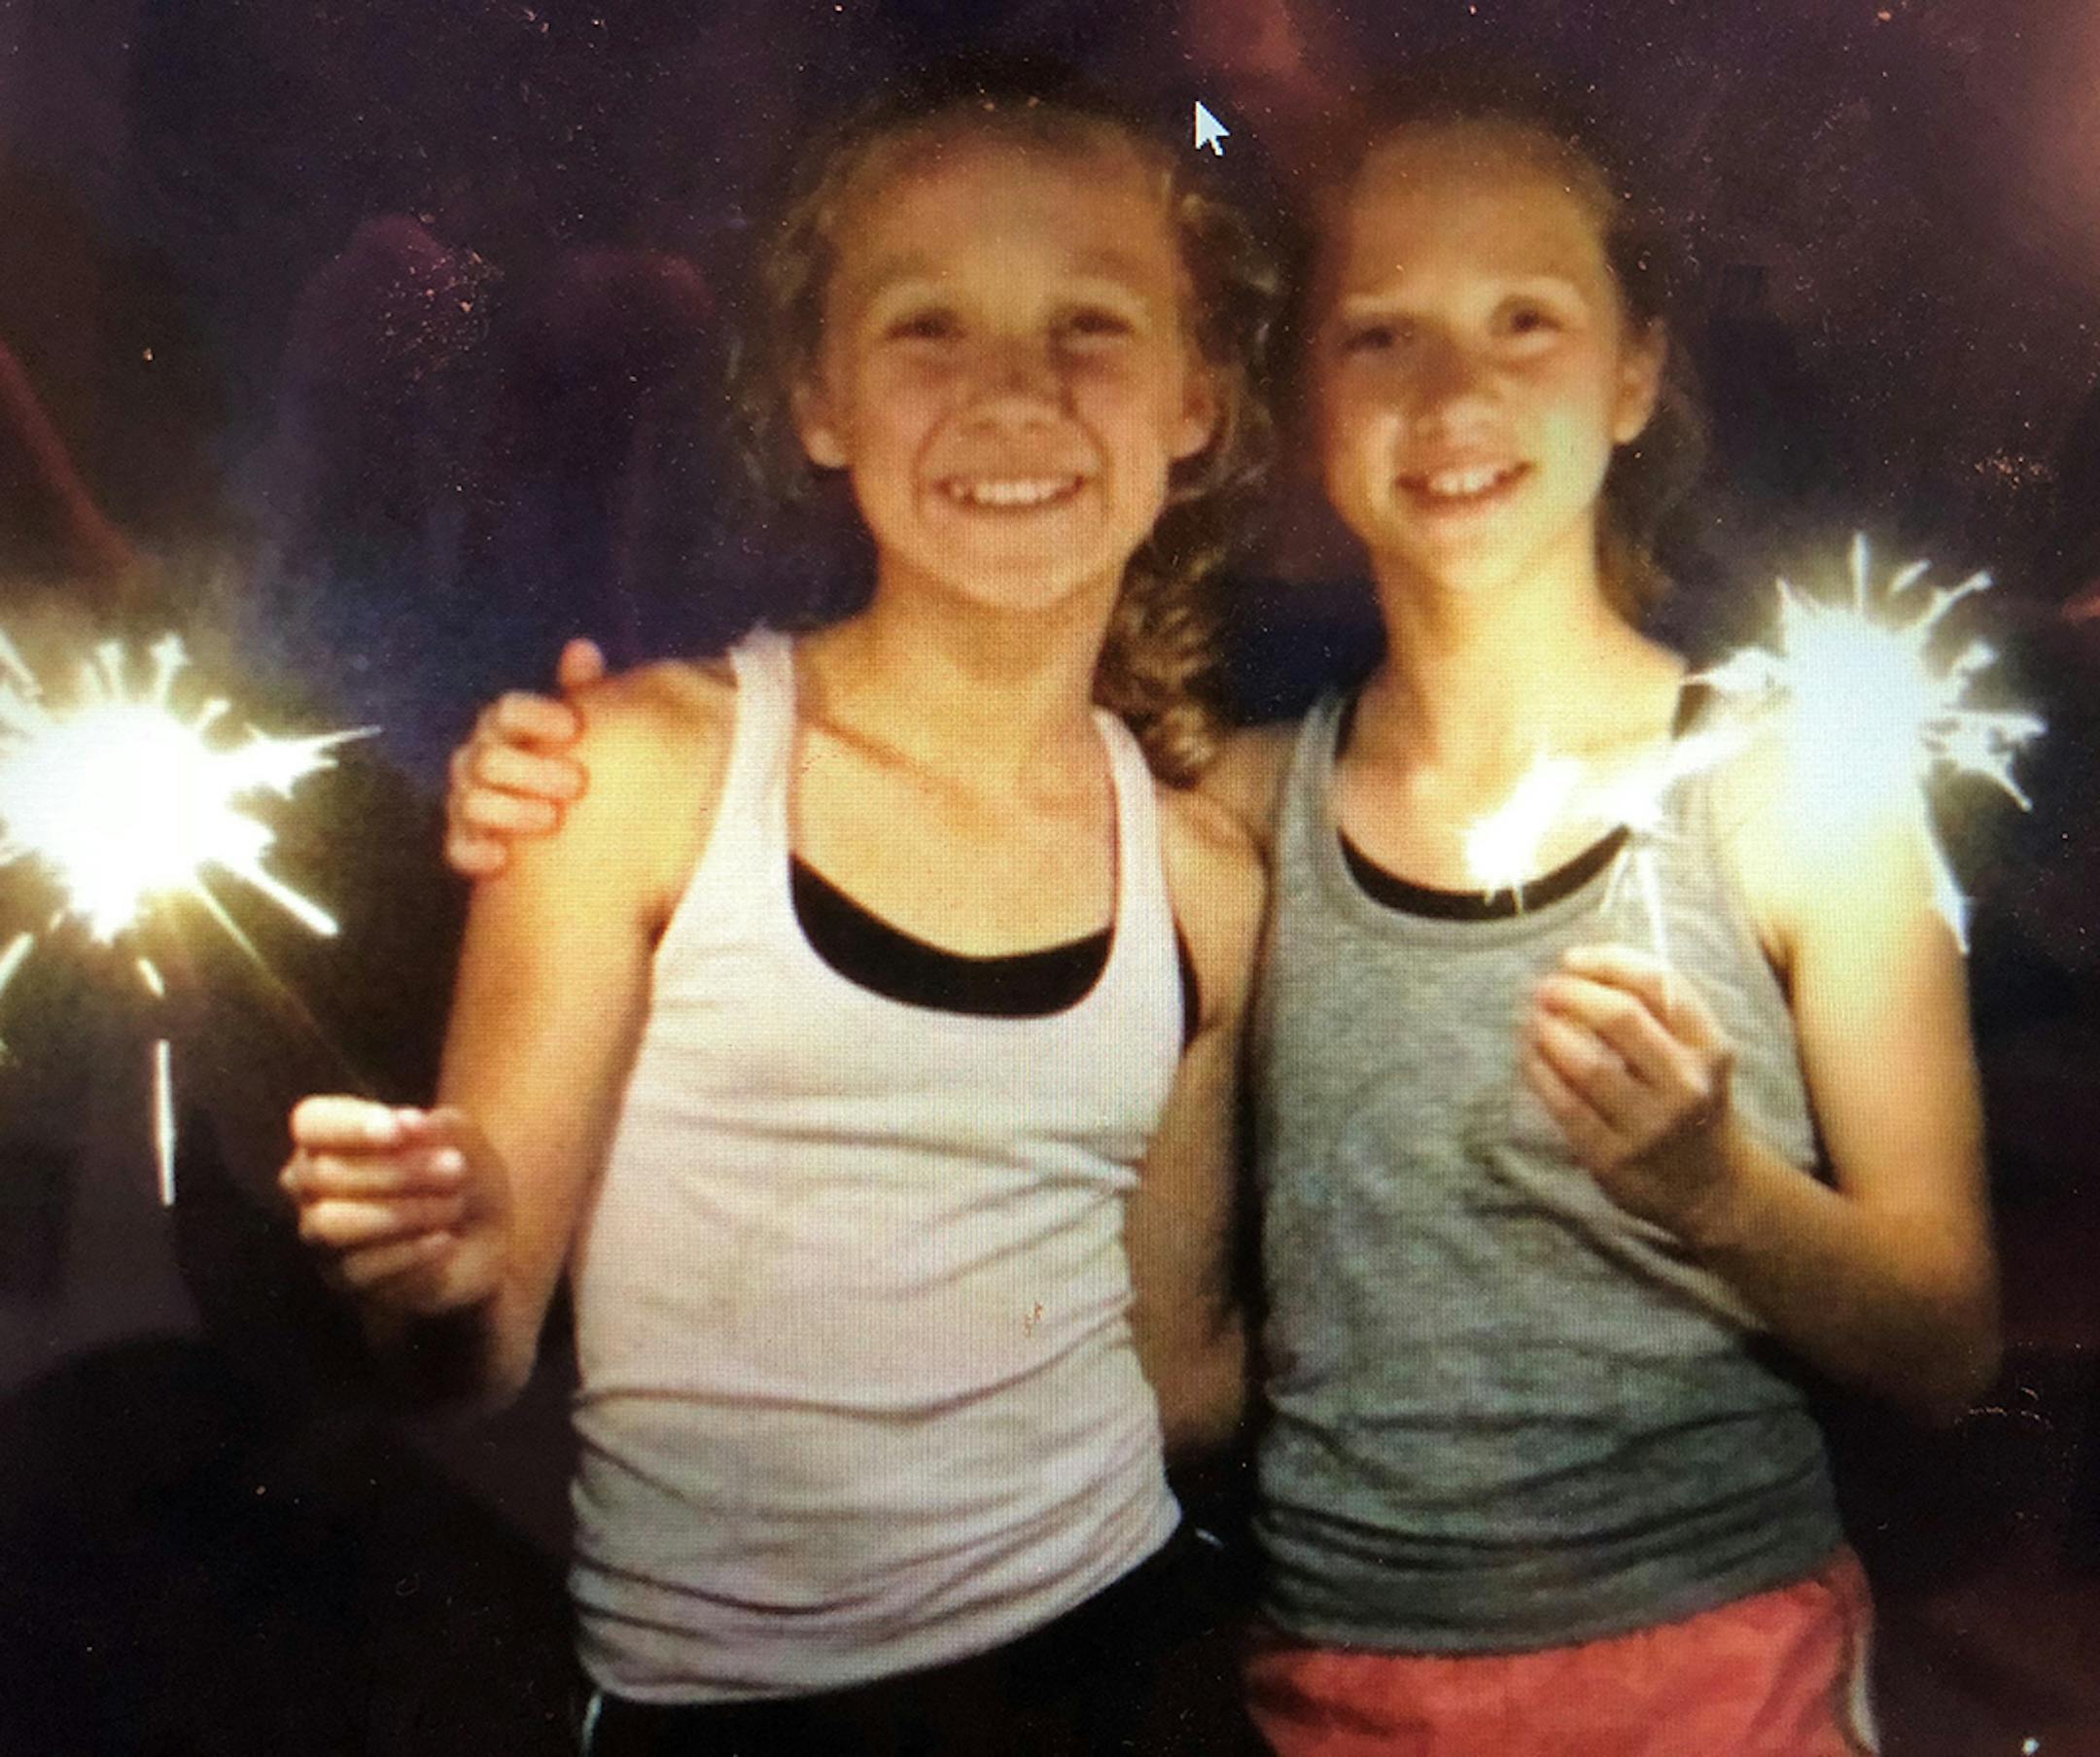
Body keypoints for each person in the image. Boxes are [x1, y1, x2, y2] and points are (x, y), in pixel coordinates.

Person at [449, 68, 2002, 1757]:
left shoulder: (1801, 796)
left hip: (1715, 1677)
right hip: (1326, 1690)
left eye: (1527, 321)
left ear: (1637, 370)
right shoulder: (1243, 817)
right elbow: (1149, 1315)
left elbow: (1947, 1339)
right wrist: (553, 773)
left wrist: (1718, 1194)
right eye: (1380, 337)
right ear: (1293, 404)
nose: (1455, 391)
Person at [280, 72, 1274, 1756]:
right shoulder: (637, 779)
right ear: (818, 394)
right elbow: (476, 1345)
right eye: (928, 329)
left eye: (1091, 326)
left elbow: (1174, 1376)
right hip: (731, 1719)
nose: (1014, 393)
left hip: (1127, 1671)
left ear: (1199, 395)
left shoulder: (1201, 880)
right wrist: (433, 1268)